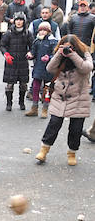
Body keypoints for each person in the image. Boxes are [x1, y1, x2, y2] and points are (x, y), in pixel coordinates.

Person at [34, 35, 92, 166]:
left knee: (76, 128)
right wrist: (60, 54)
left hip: (79, 98)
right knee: (54, 123)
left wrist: (72, 54)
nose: (67, 49)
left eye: (70, 47)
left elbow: (86, 68)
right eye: (65, 46)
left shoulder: (85, 54)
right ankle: (44, 150)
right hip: (60, 96)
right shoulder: (59, 55)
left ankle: (72, 152)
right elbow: (49, 68)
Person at [0, 13, 32, 111]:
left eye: (21, 20)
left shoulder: (27, 33)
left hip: (23, 62)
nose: (19, 22)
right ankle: (9, 103)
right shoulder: (9, 33)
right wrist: (6, 54)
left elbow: (33, 45)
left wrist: (31, 53)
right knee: (9, 84)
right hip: (11, 62)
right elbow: (2, 45)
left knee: (23, 84)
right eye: (17, 20)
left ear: (24, 21)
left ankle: (21, 102)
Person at [26, 21, 57, 118]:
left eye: (45, 30)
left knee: (47, 89)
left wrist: (49, 57)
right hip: (38, 67)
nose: (42, 32)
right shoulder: (37, 41)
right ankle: (34, 108)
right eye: (41, 30)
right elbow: (33, 51)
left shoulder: (53, 41)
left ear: (49, 31)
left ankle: (45, 108)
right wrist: (30, 55)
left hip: (49, 69)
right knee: (35, 87)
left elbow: (55, 54)